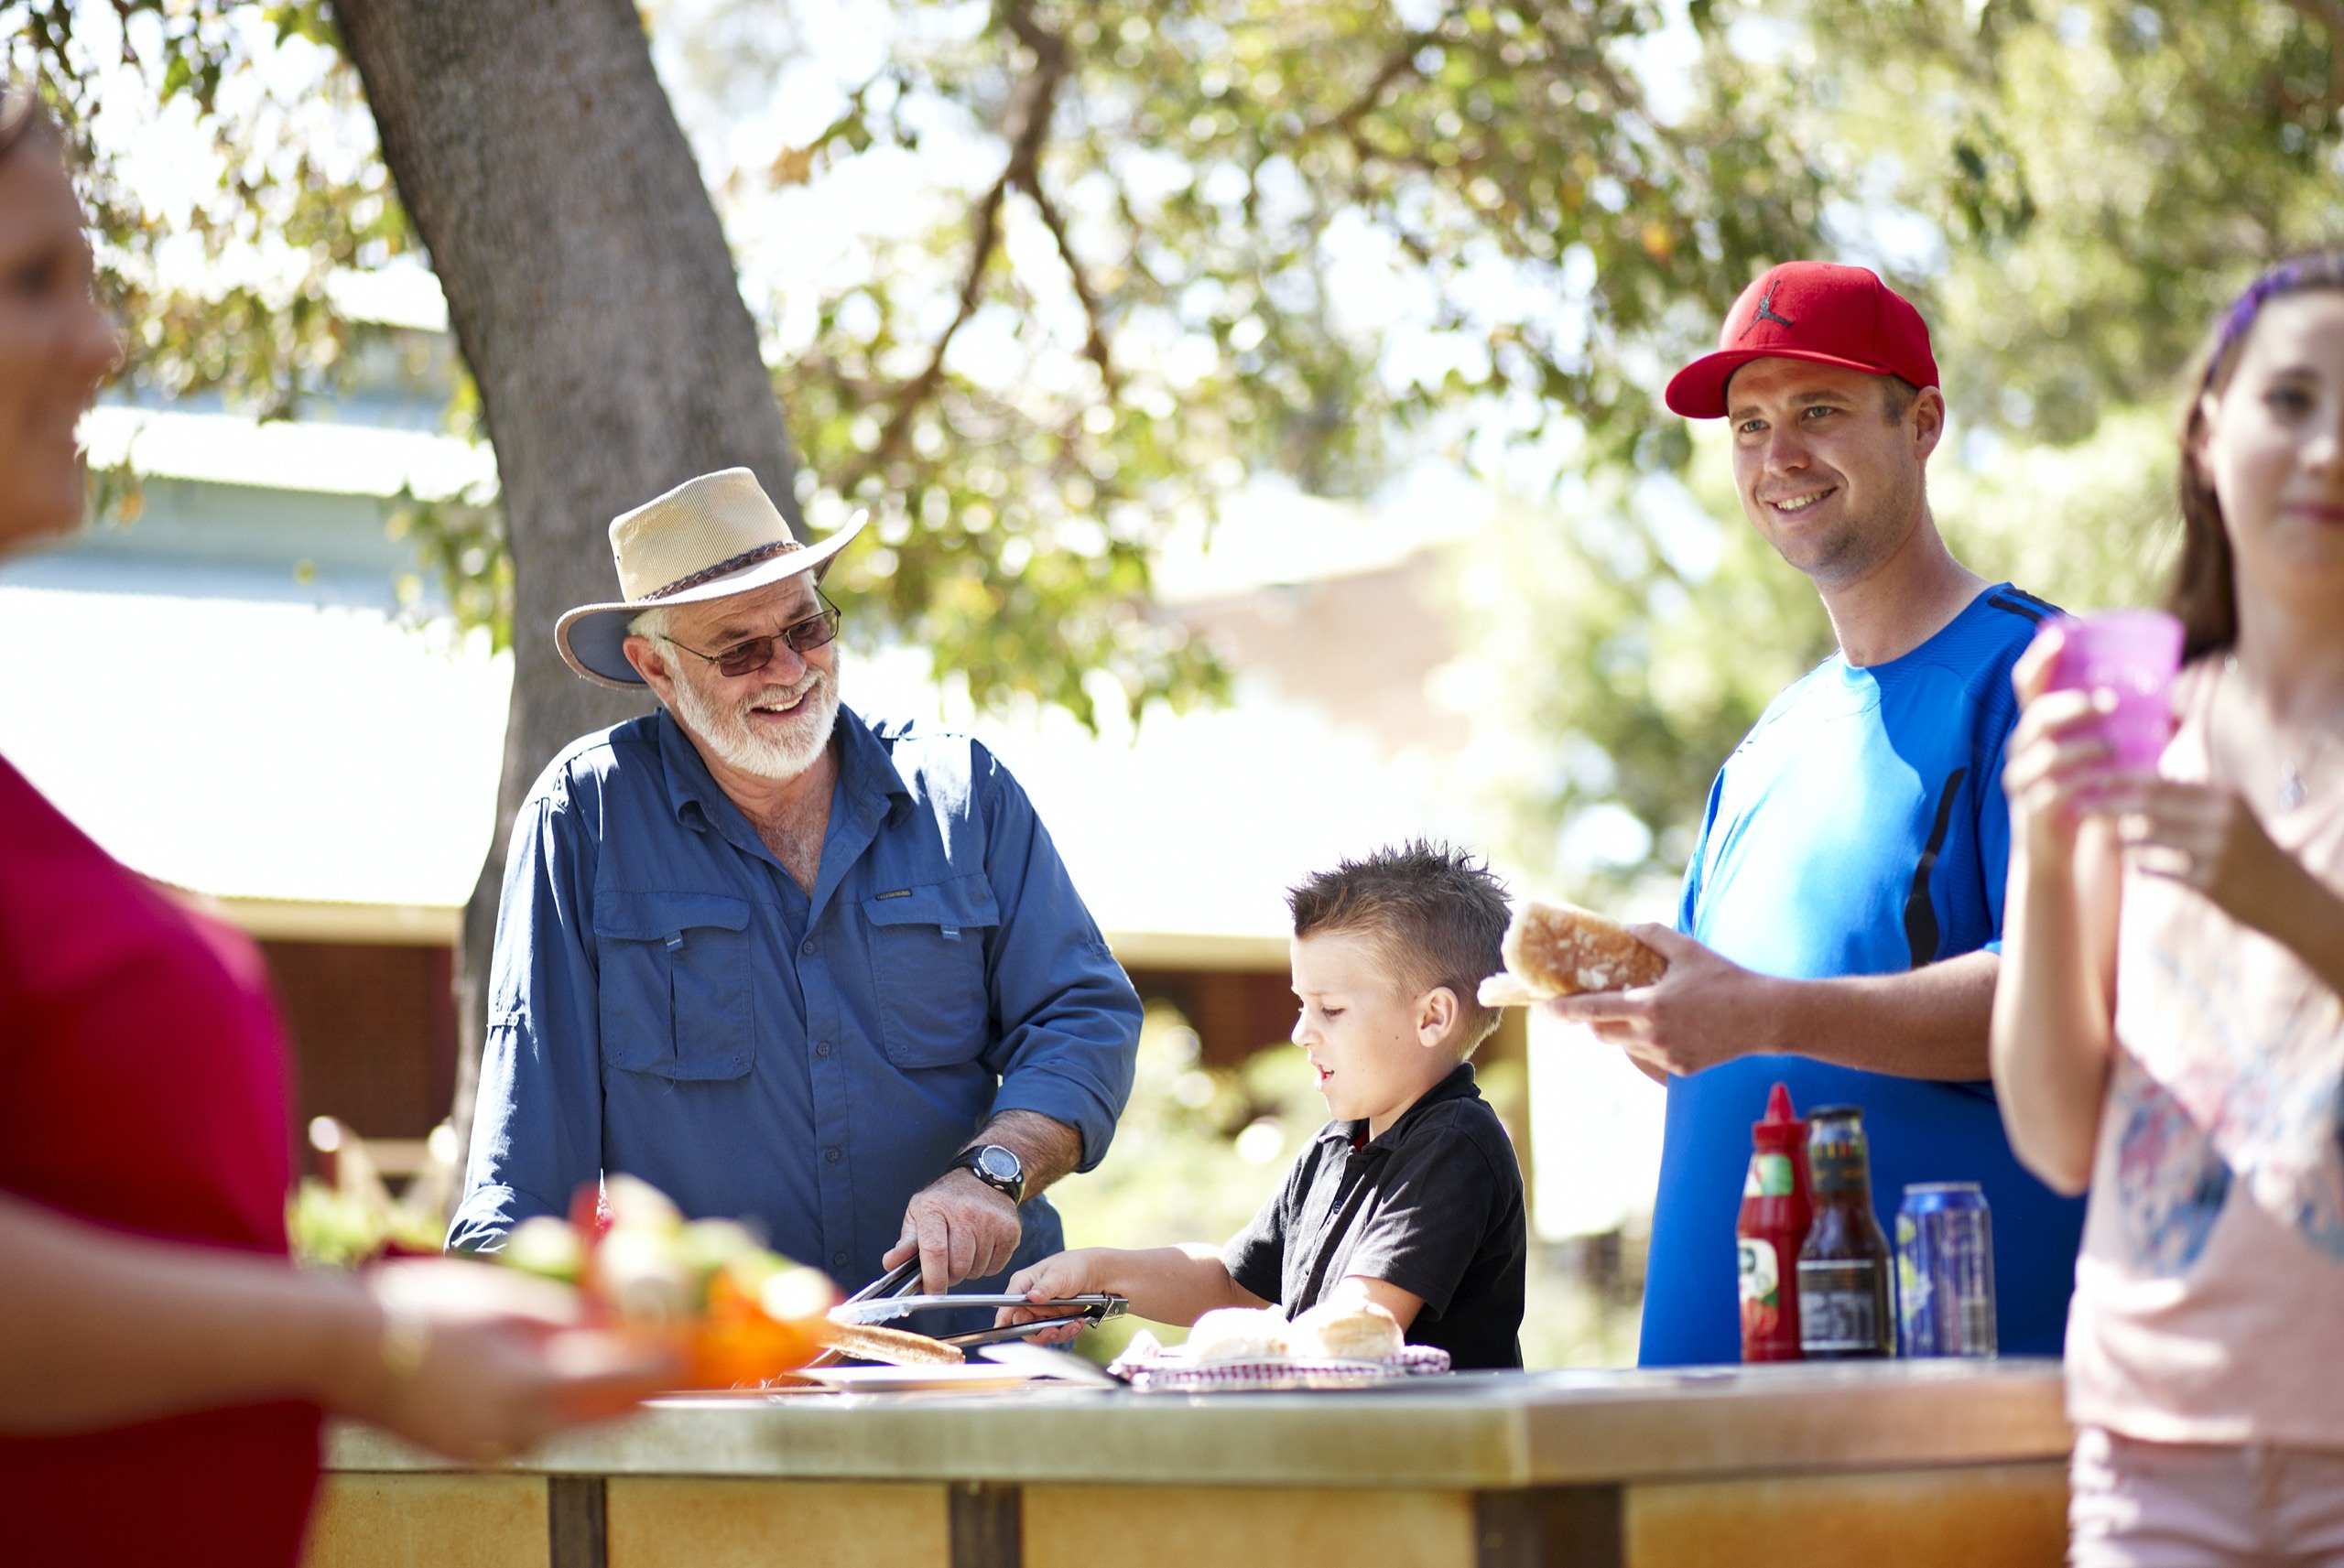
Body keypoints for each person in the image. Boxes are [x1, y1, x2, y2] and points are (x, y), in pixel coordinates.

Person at [0, 83, 667, 1568]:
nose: (102, 342)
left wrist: (391, 1293)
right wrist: (359, 1334)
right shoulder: (572, 820)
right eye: (35, 281)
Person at [1549, 261, 2088, 1366]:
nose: (1777, 455)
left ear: (1922, 422)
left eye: (1820, 411)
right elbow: (1737, 1032)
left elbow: (2076, 997)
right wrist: (1656, 1022)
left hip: (1947, 1415)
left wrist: (1762, 1014)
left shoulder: (2038, 678)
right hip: (1712, 1411)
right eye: (1748, 425)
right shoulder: (1763, 750)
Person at [449, 468, 1143, 1311]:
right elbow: (526, 1168)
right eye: (739, 647)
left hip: (968, 1342)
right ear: (656, 669)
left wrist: (993, 1170)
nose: (788, 666)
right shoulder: (583, 819)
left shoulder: (965, 793)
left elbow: (1083, 1015)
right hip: (722, 1371)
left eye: (806, 626)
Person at [1997, 254, 2344, 1566]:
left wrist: (2291, 903)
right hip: (2150, 1458)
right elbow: (2057, 1137)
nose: (2327, 451)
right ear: (2210, 430)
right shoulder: (2143, 738)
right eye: (2293, 399)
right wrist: (2042, 847)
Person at [1000, 842, 1527, 1369]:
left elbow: (1358, 1324)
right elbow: (1233, 1284)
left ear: (1432, 1017)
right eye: (1303, 1005)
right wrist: (1096, 1273)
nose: (1302, 1032)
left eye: (1331, 1009)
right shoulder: (1335, 1144)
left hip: (1442, 1451)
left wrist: (1208, 1357)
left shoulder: (1456, 1141)